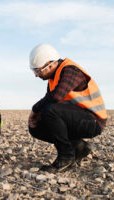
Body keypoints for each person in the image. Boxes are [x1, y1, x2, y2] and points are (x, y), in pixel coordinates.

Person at [28, 44, 107, 173]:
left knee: (49, 110)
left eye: (38, 71)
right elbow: (51, 99)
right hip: (75, 119)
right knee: (36, 127)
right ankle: (78, 146)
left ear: (51, 65)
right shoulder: (53, 78)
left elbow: (56, 97)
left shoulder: (70, 70)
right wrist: (37, 116)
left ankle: (66, 158)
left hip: (93, 121)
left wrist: (35, 109)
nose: (36, 75)